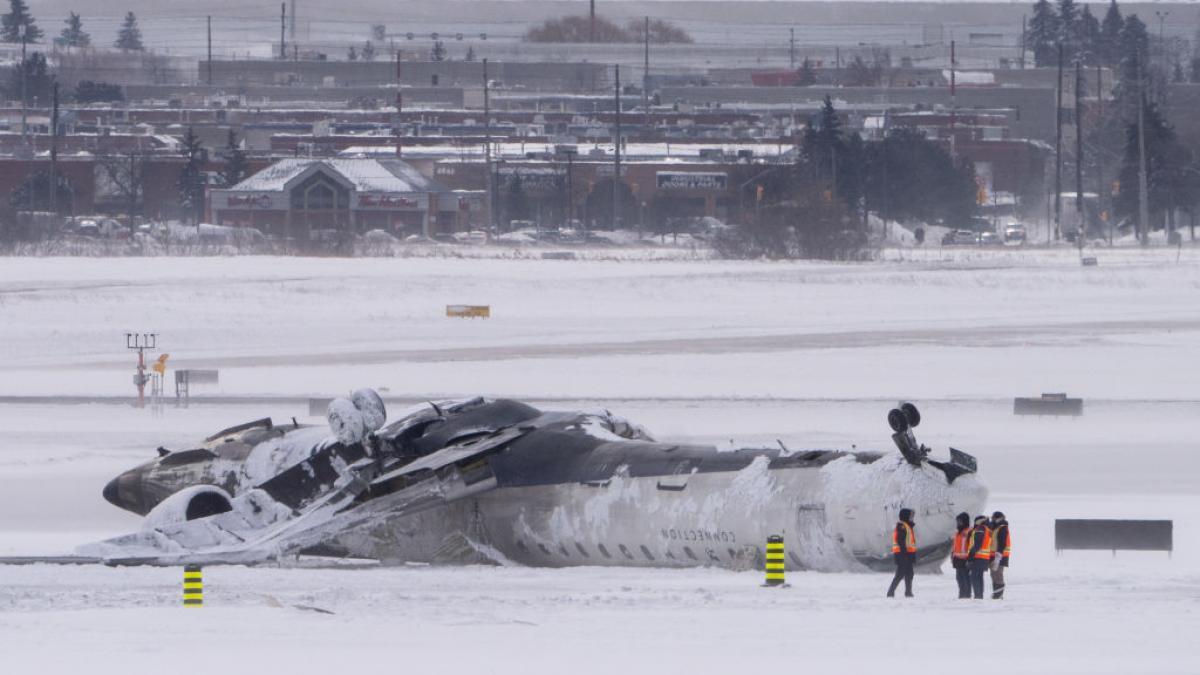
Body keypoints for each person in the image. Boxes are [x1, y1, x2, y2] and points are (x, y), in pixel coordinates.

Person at [886, 507, 916, 598]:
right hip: (902, 554)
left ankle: (908, 592)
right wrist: (905, 553)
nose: (912, 518)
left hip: (908, 554)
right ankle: (890, 592)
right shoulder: (902, 526)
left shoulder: (908, 526)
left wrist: (911, 555)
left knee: (909, 573)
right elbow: (900, 540)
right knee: (900, 574)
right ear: (905, 516)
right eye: (910, 516)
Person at [966, 515, 993, 600]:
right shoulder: (987, 529)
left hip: (977, 557)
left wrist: (970, 557)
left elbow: (977, 545)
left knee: (974, 577)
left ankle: (978, 596)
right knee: (979, 577)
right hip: (984, 558)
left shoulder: (980, 529)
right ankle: (980, 595)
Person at [990, 511, 1011, 599]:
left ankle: (998, 595)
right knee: (994, 574)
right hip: (994, 555)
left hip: (1000, 556)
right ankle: (996, 593)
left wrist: (998, 557)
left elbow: (1002, 543)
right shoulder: (996, 527)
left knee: (998, 575)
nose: (992, 520)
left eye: (993, 518)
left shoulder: (1002, 528)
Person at [951, 512, 972, 599]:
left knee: (966, 579)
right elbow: (955, 546)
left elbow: (971, 546)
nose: (958, 523)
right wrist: (952, 555)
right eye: (958, 521)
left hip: (965, 559)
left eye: (960, 521)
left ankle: (967, 595)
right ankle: (962, 595)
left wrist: (970, 559)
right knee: (959, 578)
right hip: (957, 559)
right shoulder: (957, 533)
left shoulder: (969, 532)